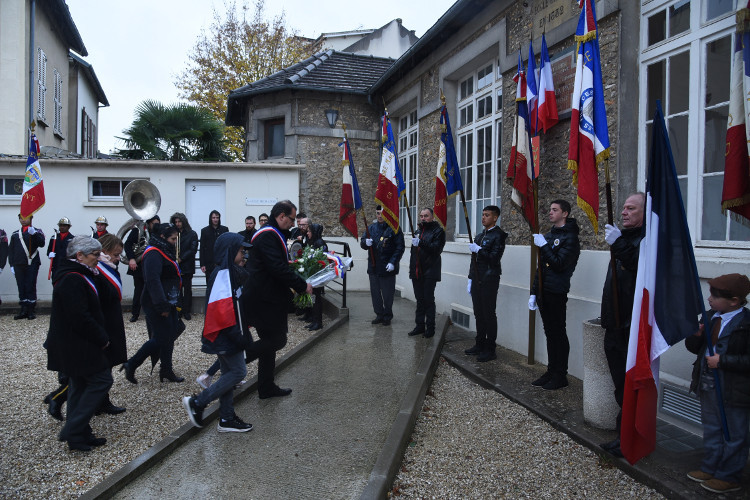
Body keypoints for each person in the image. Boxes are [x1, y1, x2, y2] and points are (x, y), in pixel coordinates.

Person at [44, 236, 111, 451]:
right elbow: (79, 316)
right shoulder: (72, 278)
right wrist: (101, 338)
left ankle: (79, 435)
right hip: (76, 343)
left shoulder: (82, 273)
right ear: (79, 256)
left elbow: (104, 298)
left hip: (77, 341)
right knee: (101, 380)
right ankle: (73, 428)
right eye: (94, 255)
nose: (98, 259)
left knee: (79, 385)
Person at [685, 273, 750, 494]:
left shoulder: (746, 324)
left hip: (734, 389)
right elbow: (694, 348)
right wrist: (695, 335)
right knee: (712, 428)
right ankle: (710, 467)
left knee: (734, 433)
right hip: (708, 384)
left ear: (734, 301)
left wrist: (724, 361)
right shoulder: (711, 316)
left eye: (715, 295)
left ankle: (729, 475)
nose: (709, 299)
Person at [183, 232, 254, 433]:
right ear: (230, 251)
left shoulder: (231, 273)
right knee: (238, 372)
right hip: (227, 336)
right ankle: (198, 402)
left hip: (230, 334)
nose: (244, 256)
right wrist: (239, 338)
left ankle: (227, 418)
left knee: (228, 374)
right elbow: (222, 312)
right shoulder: (224, 275)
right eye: (241, 251)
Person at [243, 200, 312, 399]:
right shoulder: (268, 235)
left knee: (269, 343)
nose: (294, 223)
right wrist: (302, 285)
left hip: (267, 297)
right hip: (263, 299)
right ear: (281, 216)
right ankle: (238, 358)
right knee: (277, 340)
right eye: (292, 219)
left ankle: (266, 387)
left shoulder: (273, 232)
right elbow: (277, 268)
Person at [598, 193, 645, 457]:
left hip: (631, 325)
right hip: (615, 322)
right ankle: (623, 433)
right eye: (624, 208)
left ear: (644, 213)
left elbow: (640, 268)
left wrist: (620, 245)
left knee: (631, 383)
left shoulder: (645, 240)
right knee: (620, 384)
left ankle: (631, 436)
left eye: (631, 208)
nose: (624, 212)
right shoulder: (624, 239)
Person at [121, 223, 184, 384]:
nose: (175, 242)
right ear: (162, 237)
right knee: (162, 338)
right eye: (172, 238)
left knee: (170, 335)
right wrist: (161, 306)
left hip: (168, 299)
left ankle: (166, 369)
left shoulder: (163, 250)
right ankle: (132, 364)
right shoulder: (153, 253)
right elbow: (152, 281)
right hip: (156, 302)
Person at [529, 199, 581, 390]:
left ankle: (561, 375)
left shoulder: (571, 238)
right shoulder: (550, 235)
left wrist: (543, 246)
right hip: (544, 291)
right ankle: (551, 370)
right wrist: (534, 292)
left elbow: (559, 264)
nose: (550, 212)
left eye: (554, 210)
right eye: (550, 209)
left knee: (558, 333)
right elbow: (541, 267)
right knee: (549, 332)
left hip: (557, 291)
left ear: (565, 213)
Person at [466, 205, 507, 362]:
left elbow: (494, 258)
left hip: (490, 279)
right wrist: (470, 278)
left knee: (489, 314)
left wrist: (479, 250)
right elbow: (473, 262)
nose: (483, 217)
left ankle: (490, 349)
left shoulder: (499, 235)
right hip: (477, 278)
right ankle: (480, 344)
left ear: (495, 218)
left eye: (487, 215)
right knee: (478, 313)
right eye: (482, 214)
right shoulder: (479, 235)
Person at [95, 234, 127, 415]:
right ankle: (58, 398)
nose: (118, 259)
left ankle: (102, 400)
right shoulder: (98, 270)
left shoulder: (109, 267)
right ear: (104, 251)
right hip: (104, 321)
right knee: (101, 366)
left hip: (112, 320)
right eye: (115, 255)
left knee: (106, 364)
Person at [360, 205, 405, 326]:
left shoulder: (394, 229)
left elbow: (400, 247)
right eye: (378, 213)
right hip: (373, 266)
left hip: (387, 266)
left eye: (382, 214)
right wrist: (365, 242)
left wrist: (393, 262)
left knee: (387, 294)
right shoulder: (371, 228)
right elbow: (363, 242)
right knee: (375, 293)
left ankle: (387, 315)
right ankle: (379, 314)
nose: (380, 216)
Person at [408, 208, 446, 339]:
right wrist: (412, 270)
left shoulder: (438, 231)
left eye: (426, 216)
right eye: (421, 216)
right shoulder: (418, 231)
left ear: (432, 217)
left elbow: (436, 249)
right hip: (417, 271)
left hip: (430, 270)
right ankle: (419, 325)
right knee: (419, 300)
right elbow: (413, 254)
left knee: (428, 300)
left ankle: (430, 328)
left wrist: (421, 243)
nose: (423, 218)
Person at [8, 213, 45, 320]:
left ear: (31, 218)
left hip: (31, 263)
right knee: (21, 286)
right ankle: (23, 309)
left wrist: (34, 234)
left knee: (30, 285)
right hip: (18, 264)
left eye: (26, 218)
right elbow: (11, 251)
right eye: (21, 218)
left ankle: (31, 310)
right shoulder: (15, 234)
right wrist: (11, 265)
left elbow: (41, 244)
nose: (23, 220)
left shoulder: (37, 231)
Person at [125, 215, 160, 323]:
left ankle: (153, 312)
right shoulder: (138, 231)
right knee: (138, 290)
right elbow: (127, 244)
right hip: (139, 265)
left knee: (153, 290)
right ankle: (135, 314)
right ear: (149, 223)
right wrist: (131, 259)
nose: (156, 226)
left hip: (151, 266)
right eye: (154, 224)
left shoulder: (158, 233)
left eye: (158, 224)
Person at [170, 212, 198, 320]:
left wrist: (181, 258)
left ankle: (187, 311)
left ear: (183, 221)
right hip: (176, 265)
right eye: (175, 222)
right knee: (178, 289)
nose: (177, 224)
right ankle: (179, 310)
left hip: (187, 265)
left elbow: (193, 249)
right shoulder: (173, 233)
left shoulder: (192, 234)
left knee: (187, 289)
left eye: (179, 221)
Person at [305, 221, 327, 331]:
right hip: (312, 275)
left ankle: (318, 322)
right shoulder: (313, 241)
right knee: (313, 299)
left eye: (309, 231)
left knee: (317, 299)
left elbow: (323, 257)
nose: (307, 233)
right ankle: (314, 320)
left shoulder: (320, 242)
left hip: (317, 275)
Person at [199, 210, 228, 279]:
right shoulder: (204, 231)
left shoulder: (224, 229)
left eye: (217, 218)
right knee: (210, 283)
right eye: (213, 218)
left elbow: (227, 246)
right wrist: (202, 264)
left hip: (221, 262)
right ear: (210, 218)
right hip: (209, 262)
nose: (215, 219)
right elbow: (202, 248)